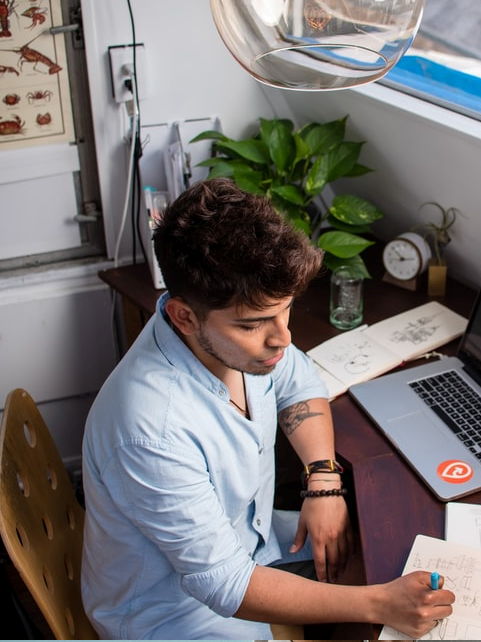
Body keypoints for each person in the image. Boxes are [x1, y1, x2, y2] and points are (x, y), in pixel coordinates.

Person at [80, 178, 454, 639]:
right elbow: (227, 585)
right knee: (378, 596)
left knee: (380, 550)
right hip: (174, 614)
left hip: (250, 541)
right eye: (255, 324)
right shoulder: (149, 430)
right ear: (184, 316)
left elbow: (299, 378)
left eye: (286, 310)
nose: (283, 337)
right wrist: (380, 604)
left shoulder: (235, 342)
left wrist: (323, 480)